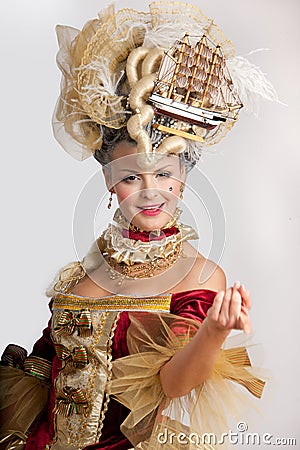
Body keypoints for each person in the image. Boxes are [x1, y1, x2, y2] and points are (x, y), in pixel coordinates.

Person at [0, 2, 277, 449]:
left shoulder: (197, 275)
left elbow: (172, 384)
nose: (151, 191)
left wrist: (214, 332)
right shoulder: (83, 270)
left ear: (184, 177)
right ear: (109, 182)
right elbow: (47, 361)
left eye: (164, 174)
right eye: (132, 177)